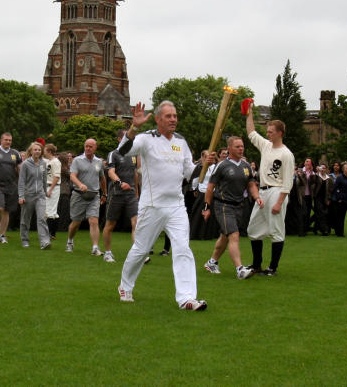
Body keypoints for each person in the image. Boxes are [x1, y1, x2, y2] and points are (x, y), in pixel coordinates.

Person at [117, 101, 207, 311]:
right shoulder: (146, 138)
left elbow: (189, 173)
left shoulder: (181, 141)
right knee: (141, 249)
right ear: (158, 119)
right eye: (168, 116)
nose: (173, 119)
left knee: (183, 248)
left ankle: (186, 298)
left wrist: (204, 166)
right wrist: (134, 127)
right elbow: (122, 151)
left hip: (176, 205)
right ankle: (125, 285)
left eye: (175, 116)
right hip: (152, 205)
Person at [244, 102, 295, 276]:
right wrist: (249, 113)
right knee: (253, 228)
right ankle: (257, 265)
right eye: (267, 131)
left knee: (276, 230)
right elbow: (251, 133)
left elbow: (288, 182)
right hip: (263, 192)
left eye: (271, 131)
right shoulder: (266, 146)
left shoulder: (286, 154)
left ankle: (272, 267)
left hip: (277, 191)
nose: (267, 133)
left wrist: (279, 202)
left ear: (280, 133)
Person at [202, 136, 257, 279]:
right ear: (230, 149)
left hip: (239, 205)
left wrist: (257, 197)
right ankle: (240, 269)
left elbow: (251, 184)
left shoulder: (246, 166)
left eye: (242, 146)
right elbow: (210, 188)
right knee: (234, 235)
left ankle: (212, 262)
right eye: (237, 146)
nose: (241, 149)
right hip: (223, 205)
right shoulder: (222, 166)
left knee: (225, 237)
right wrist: (207, 207)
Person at [102, 130, 140, 263]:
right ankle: (107, 253)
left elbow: (134, 173)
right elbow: (110, 172)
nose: (130, 139)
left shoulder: (133, 155)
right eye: (126, 137)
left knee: (136, 223)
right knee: (110, 225)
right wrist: (120, 182)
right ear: (120, 139)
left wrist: (136, 191)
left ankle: (137, 254)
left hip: (131, 195)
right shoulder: (113, 154)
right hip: (116, 194)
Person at [66, 139, 107, 255]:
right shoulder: (77, 160)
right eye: (86, 146)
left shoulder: (98, 162)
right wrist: (80, 184)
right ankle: (70, 241)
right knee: (76, 222)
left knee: (94, 220)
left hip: (94, 195)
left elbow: (102, 178)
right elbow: (72, 176)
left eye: (90, 146)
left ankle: (95, 248)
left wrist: (105, 193)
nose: (88, 148)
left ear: (95, 148)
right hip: (79, 195)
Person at [18, 142, 51, 249]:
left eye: (39, 150)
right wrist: (21, 196)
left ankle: (44, 241)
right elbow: (21, 181)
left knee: (41, 218)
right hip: (28, 195)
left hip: (40, 195)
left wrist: (45, 191)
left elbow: (44, 179)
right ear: (31, 151)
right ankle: (24, 239)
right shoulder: (26, 164)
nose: (37, 151)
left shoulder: (43, 163)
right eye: (35, 149)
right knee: (25, 219)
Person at [44, 143, 62, 240]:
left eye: (45, 150)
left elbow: (56, 176)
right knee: (49, 210)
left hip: (53, 187)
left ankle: (51, 233)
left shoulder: (56, 162)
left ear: (49, 151)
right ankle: (52, 233)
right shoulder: (48, 161)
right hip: (48, 186)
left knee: (51, 210)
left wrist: (50, 189)